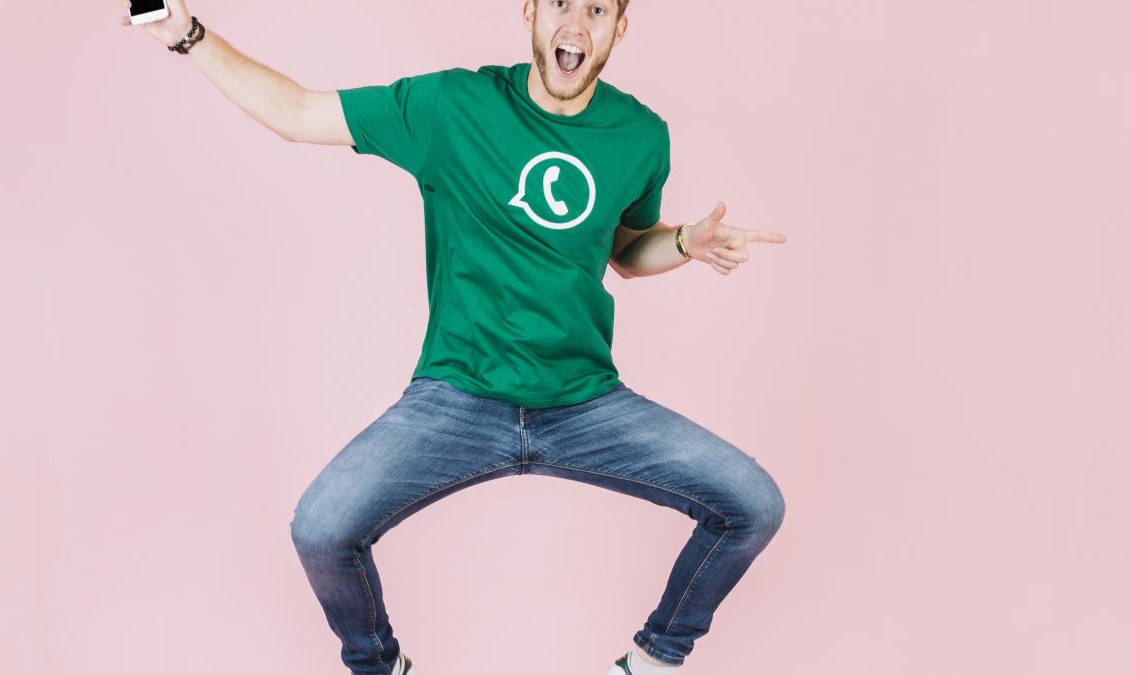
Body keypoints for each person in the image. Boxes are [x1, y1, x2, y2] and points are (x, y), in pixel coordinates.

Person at [121, 1, 789, 674]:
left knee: (753, 503)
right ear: (528, 12)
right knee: (321, 529)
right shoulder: (451, 107)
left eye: (596, 9)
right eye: (559, 3)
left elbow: (623, 249)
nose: (575, 26)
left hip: (587, 404)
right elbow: (297, 113)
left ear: (620, 27)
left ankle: (653, 659)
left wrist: (683, 241)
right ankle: (381, 665)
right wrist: (188, 36)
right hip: (458, 399)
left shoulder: (641, 135)